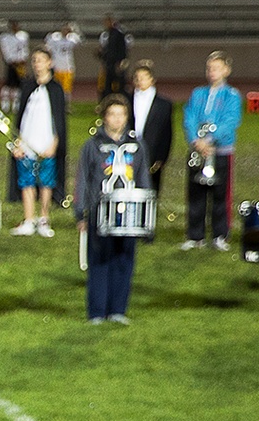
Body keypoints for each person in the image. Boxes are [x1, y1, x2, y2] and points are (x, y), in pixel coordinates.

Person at [79, 95, 150, 325]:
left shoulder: (137, 145)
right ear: (104, 117)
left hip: (129, 210)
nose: (117, 119)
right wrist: (81, 211)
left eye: (121, 114)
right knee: (100, 260)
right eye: (112, 114)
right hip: (101, 211)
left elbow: (143, 177)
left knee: (124, 259)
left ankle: (118, 309)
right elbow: (83, 179)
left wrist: (146, 212)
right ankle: (97, 311)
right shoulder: (93, 145)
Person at [182, 52, 244, 251]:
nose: (212, 72)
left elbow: (231, 120)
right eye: (209, 68)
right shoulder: (197, 93)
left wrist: (209, 139)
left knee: (220, 195)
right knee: (196, 193)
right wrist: (195, 140)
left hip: (221, 152)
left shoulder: (232, 95)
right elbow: (189, 116)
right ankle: (195, 235)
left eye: (216, 68)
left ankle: (220, 235)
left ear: (226, 70)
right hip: (198, 152)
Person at [9, 48, 68, 236]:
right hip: (27, 143)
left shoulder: (56, 88)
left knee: (46, 182)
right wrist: (18, 141)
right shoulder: (27, 86)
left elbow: (59, 120)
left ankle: (44, 218)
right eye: (34, 60)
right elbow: (22, 117)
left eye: (41, 60)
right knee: (26, 181)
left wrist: (54, 143)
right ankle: (29, 219)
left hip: (46, 143)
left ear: (50, 63)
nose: (37, 64)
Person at [128, 61, 175, 196]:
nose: (140, 80)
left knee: (151, 191)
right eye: (137, 77)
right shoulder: (127, 100)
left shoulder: (163, 104)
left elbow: (167, 133)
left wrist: (161, 158)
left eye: (144, 77)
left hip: (152, 154)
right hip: (130, 152)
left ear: (152, 79)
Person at [98, 16, 131, 99]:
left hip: (116, 63)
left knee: (119, 85)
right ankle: (107, 102)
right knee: (107, 85)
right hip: (109, 63)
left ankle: (122, 101)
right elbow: (108, 50)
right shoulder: (109, 34)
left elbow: (122, 50)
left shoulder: (118, 34)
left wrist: (120, 62)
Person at [46, 22, 82, 95]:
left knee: (66, 90)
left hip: (67, 67)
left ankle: (66, 105)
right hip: (56, 67)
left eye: (68, 29)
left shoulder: (72, 39)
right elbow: (47, 47)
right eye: (65, 29)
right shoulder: (54, 38)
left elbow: (80, 42)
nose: (66, 31)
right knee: (55, 89)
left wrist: (75, 31)